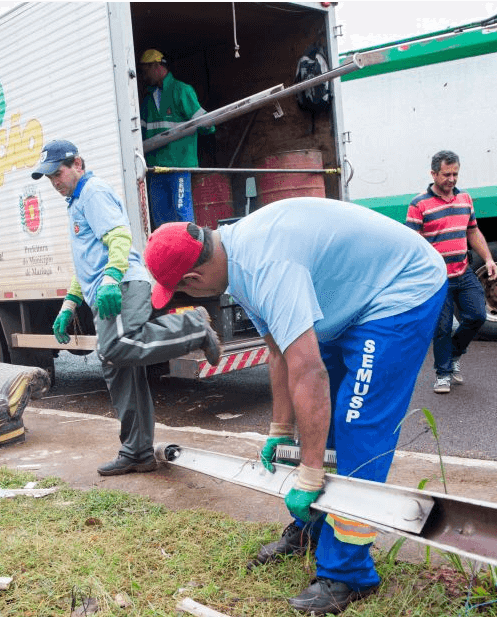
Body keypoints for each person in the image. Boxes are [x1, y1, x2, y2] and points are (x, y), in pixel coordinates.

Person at [143, 197, 447, 615]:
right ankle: (313, 527)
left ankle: (348, 573)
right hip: (352, 297)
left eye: (180, 289)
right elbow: (279, 354)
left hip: (401, 290)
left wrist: (308, 473)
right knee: (322, 422)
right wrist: (279, 431)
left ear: (193, 278)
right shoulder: (236, 260)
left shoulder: (266, 268)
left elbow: (310, 374)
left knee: (358, 424)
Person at [31, 139, 221, 476]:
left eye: (57, 173)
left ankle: (193, 327)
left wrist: (111, 279)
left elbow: (119, 237)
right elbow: (86, 262)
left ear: (78, 164)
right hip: (107, 287)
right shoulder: (75, 202)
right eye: (49, 178)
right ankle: (137, 452)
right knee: (117, 367)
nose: (54, 181)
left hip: (121, 285)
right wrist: (69, 304)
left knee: (118, 347)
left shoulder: (92, 192)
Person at [406, 150, 497, 394]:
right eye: (446, 174)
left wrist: (488, 258)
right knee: (442, 327)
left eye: (455, 173)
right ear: (433, 173)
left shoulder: (465, 199)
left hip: (463, 271)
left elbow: (473, 232)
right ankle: (443, 373)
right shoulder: (419, 204)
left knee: (477, 315)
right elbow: (412, 244)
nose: (452, 179)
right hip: (437, 278)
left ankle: (454, 355)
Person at [139, 49, 215, 227]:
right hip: (156, 168)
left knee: (182, 214)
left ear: (157, 66)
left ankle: (190, 251)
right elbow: (139, 135)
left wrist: (208, 127)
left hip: (178, 166)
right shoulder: (147, 101)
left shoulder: (181, 90)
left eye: (145, 70)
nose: (143, 76)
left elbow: (206, 125)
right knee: (161, 219)